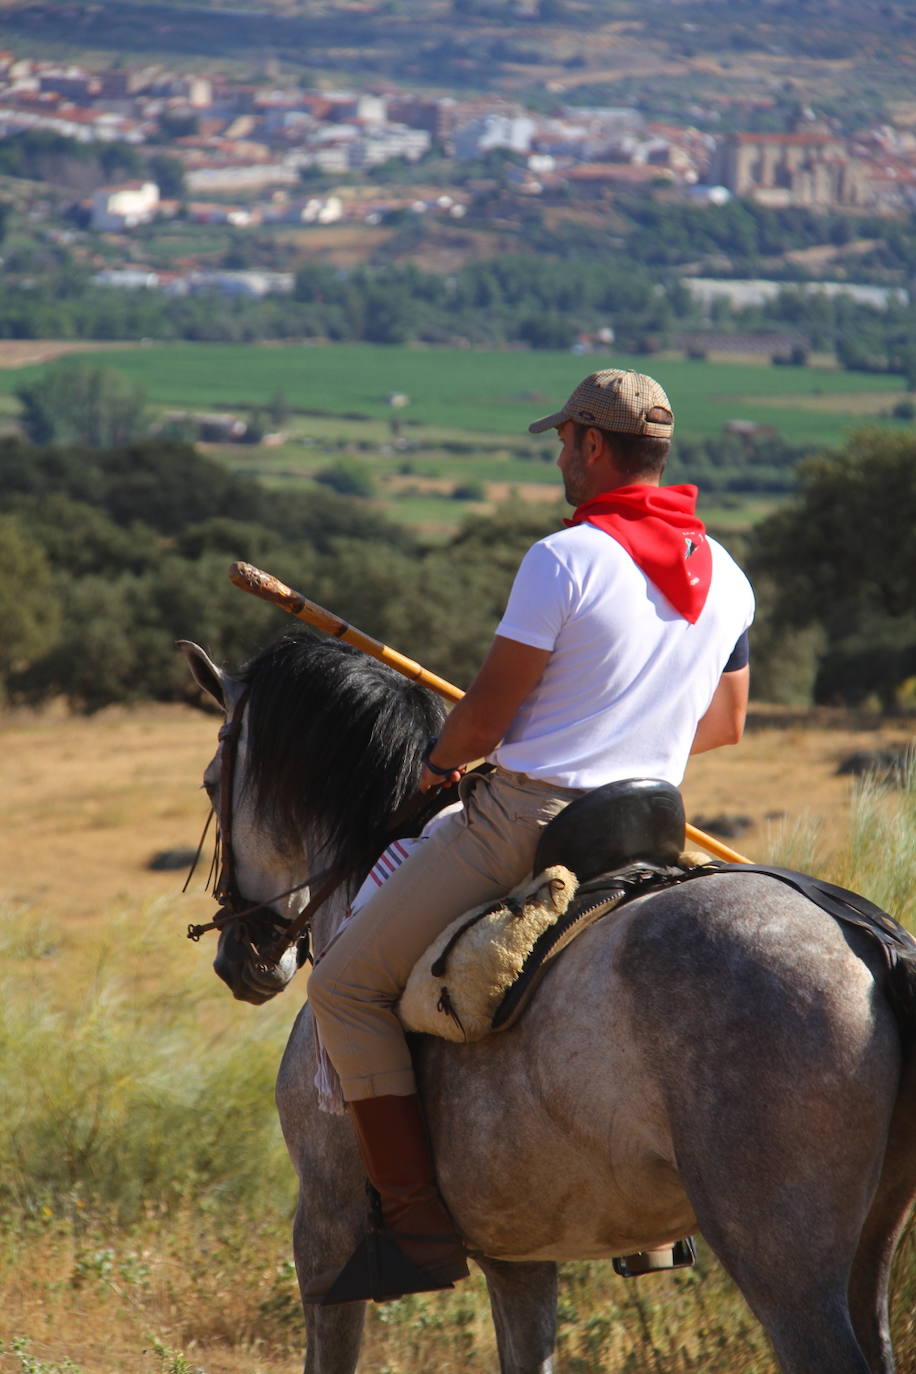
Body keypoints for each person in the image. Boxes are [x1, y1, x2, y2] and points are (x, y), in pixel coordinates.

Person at [304, 368, 755, 1304]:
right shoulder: (731, 577)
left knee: (345, 983)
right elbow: (724, 727)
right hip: (649, 826)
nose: (558, 459)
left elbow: (486, 721)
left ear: (594, 445)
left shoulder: (565, 560)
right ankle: (659, 1231)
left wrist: (439, 765)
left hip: (529, 823)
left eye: (562, 443)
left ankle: (416, 1229)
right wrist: (627, 729)